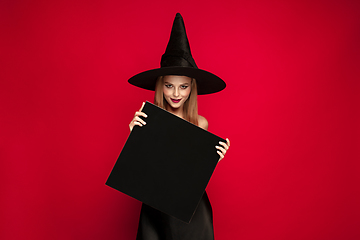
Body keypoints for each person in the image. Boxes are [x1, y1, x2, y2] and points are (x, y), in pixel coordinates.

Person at [127, 13, 230, 240]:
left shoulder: (200, 123)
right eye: (169, 86)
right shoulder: (148, 120)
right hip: (154, 211)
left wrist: (212, 158)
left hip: (191, 214)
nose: (176, 94)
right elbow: (141, 174)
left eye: (183, 86)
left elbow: (190, 179)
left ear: (192, 88)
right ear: (160, 86)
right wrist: (134, 138)